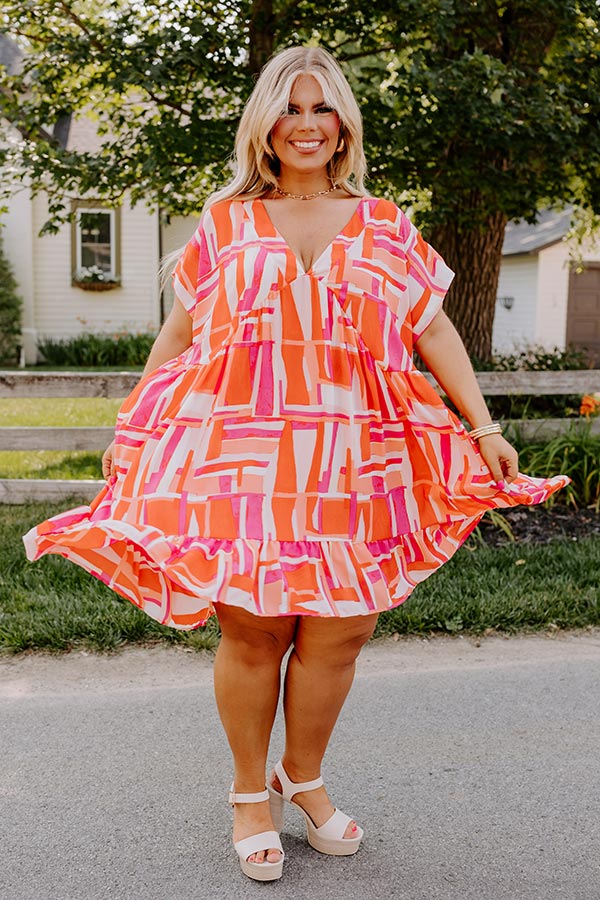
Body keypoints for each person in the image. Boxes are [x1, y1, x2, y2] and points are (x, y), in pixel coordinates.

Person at [23, 46, 569, 882]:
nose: (306, 124)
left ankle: (301, 777)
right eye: (289, 107)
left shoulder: (385, 223)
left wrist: (483, 424)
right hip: (245, 455)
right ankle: (250, 793)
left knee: (343, 629)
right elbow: (181, 332)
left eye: (322, 108)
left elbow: (432, 326)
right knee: (256, 627)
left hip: (359, 455)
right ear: (265, 125)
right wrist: (136, 420)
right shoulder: (224, 222)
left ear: (344, 125)